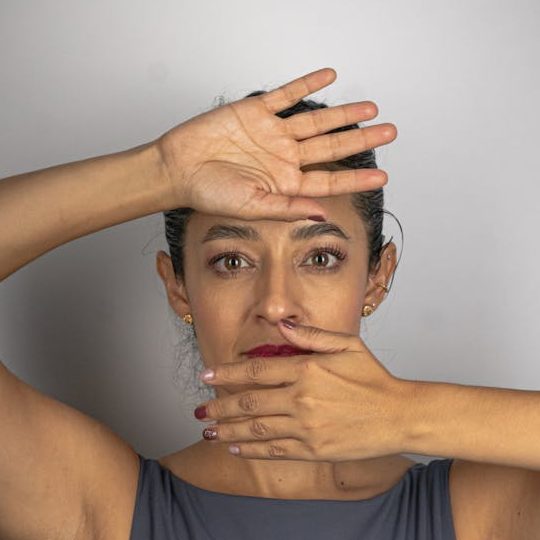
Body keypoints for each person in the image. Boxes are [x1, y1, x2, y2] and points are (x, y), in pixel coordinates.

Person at [1, 67, 539, 540]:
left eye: (321, 258)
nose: (277, 304)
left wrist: (405, 414)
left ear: (376, 279)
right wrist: (160, 171)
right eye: (232, 261)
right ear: (178, 285)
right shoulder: (100, 508)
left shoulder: (481, 512)